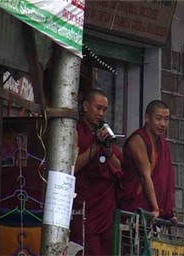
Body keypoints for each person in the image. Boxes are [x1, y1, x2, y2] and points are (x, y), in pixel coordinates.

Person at [70, 89, 123, 256]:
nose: (101, 113)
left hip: (105, 206)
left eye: (105, 110)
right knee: (86, 246)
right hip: (85, 204)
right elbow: (72, 167)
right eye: (98, 108)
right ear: (86, 106)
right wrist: (95, 146)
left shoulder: (104, 133)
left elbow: (120, 168)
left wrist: (108, 151)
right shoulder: (75, 131)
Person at [119, 100, 177, 222]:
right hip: (137, 208)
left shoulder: (162, 144)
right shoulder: (138, 140)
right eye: (159, 118)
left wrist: (168, 213)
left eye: (166, 119)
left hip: (154, 213)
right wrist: (156, 209)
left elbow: (166, 179)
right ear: (147, 118)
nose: (163, 124)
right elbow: (145, 176)